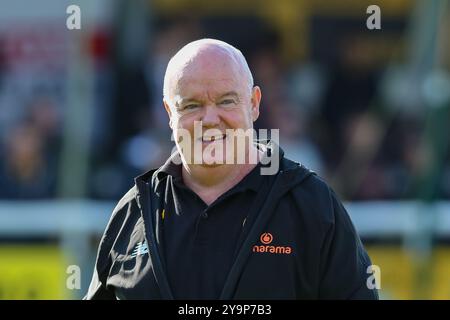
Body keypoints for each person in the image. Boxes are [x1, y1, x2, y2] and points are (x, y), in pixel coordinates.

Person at [85, 39, 379, 300]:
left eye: (226, 100)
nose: (210, 118)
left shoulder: (312, 206)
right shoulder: (134, 211)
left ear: (254, 104)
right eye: (191, 105)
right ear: (169, 114)